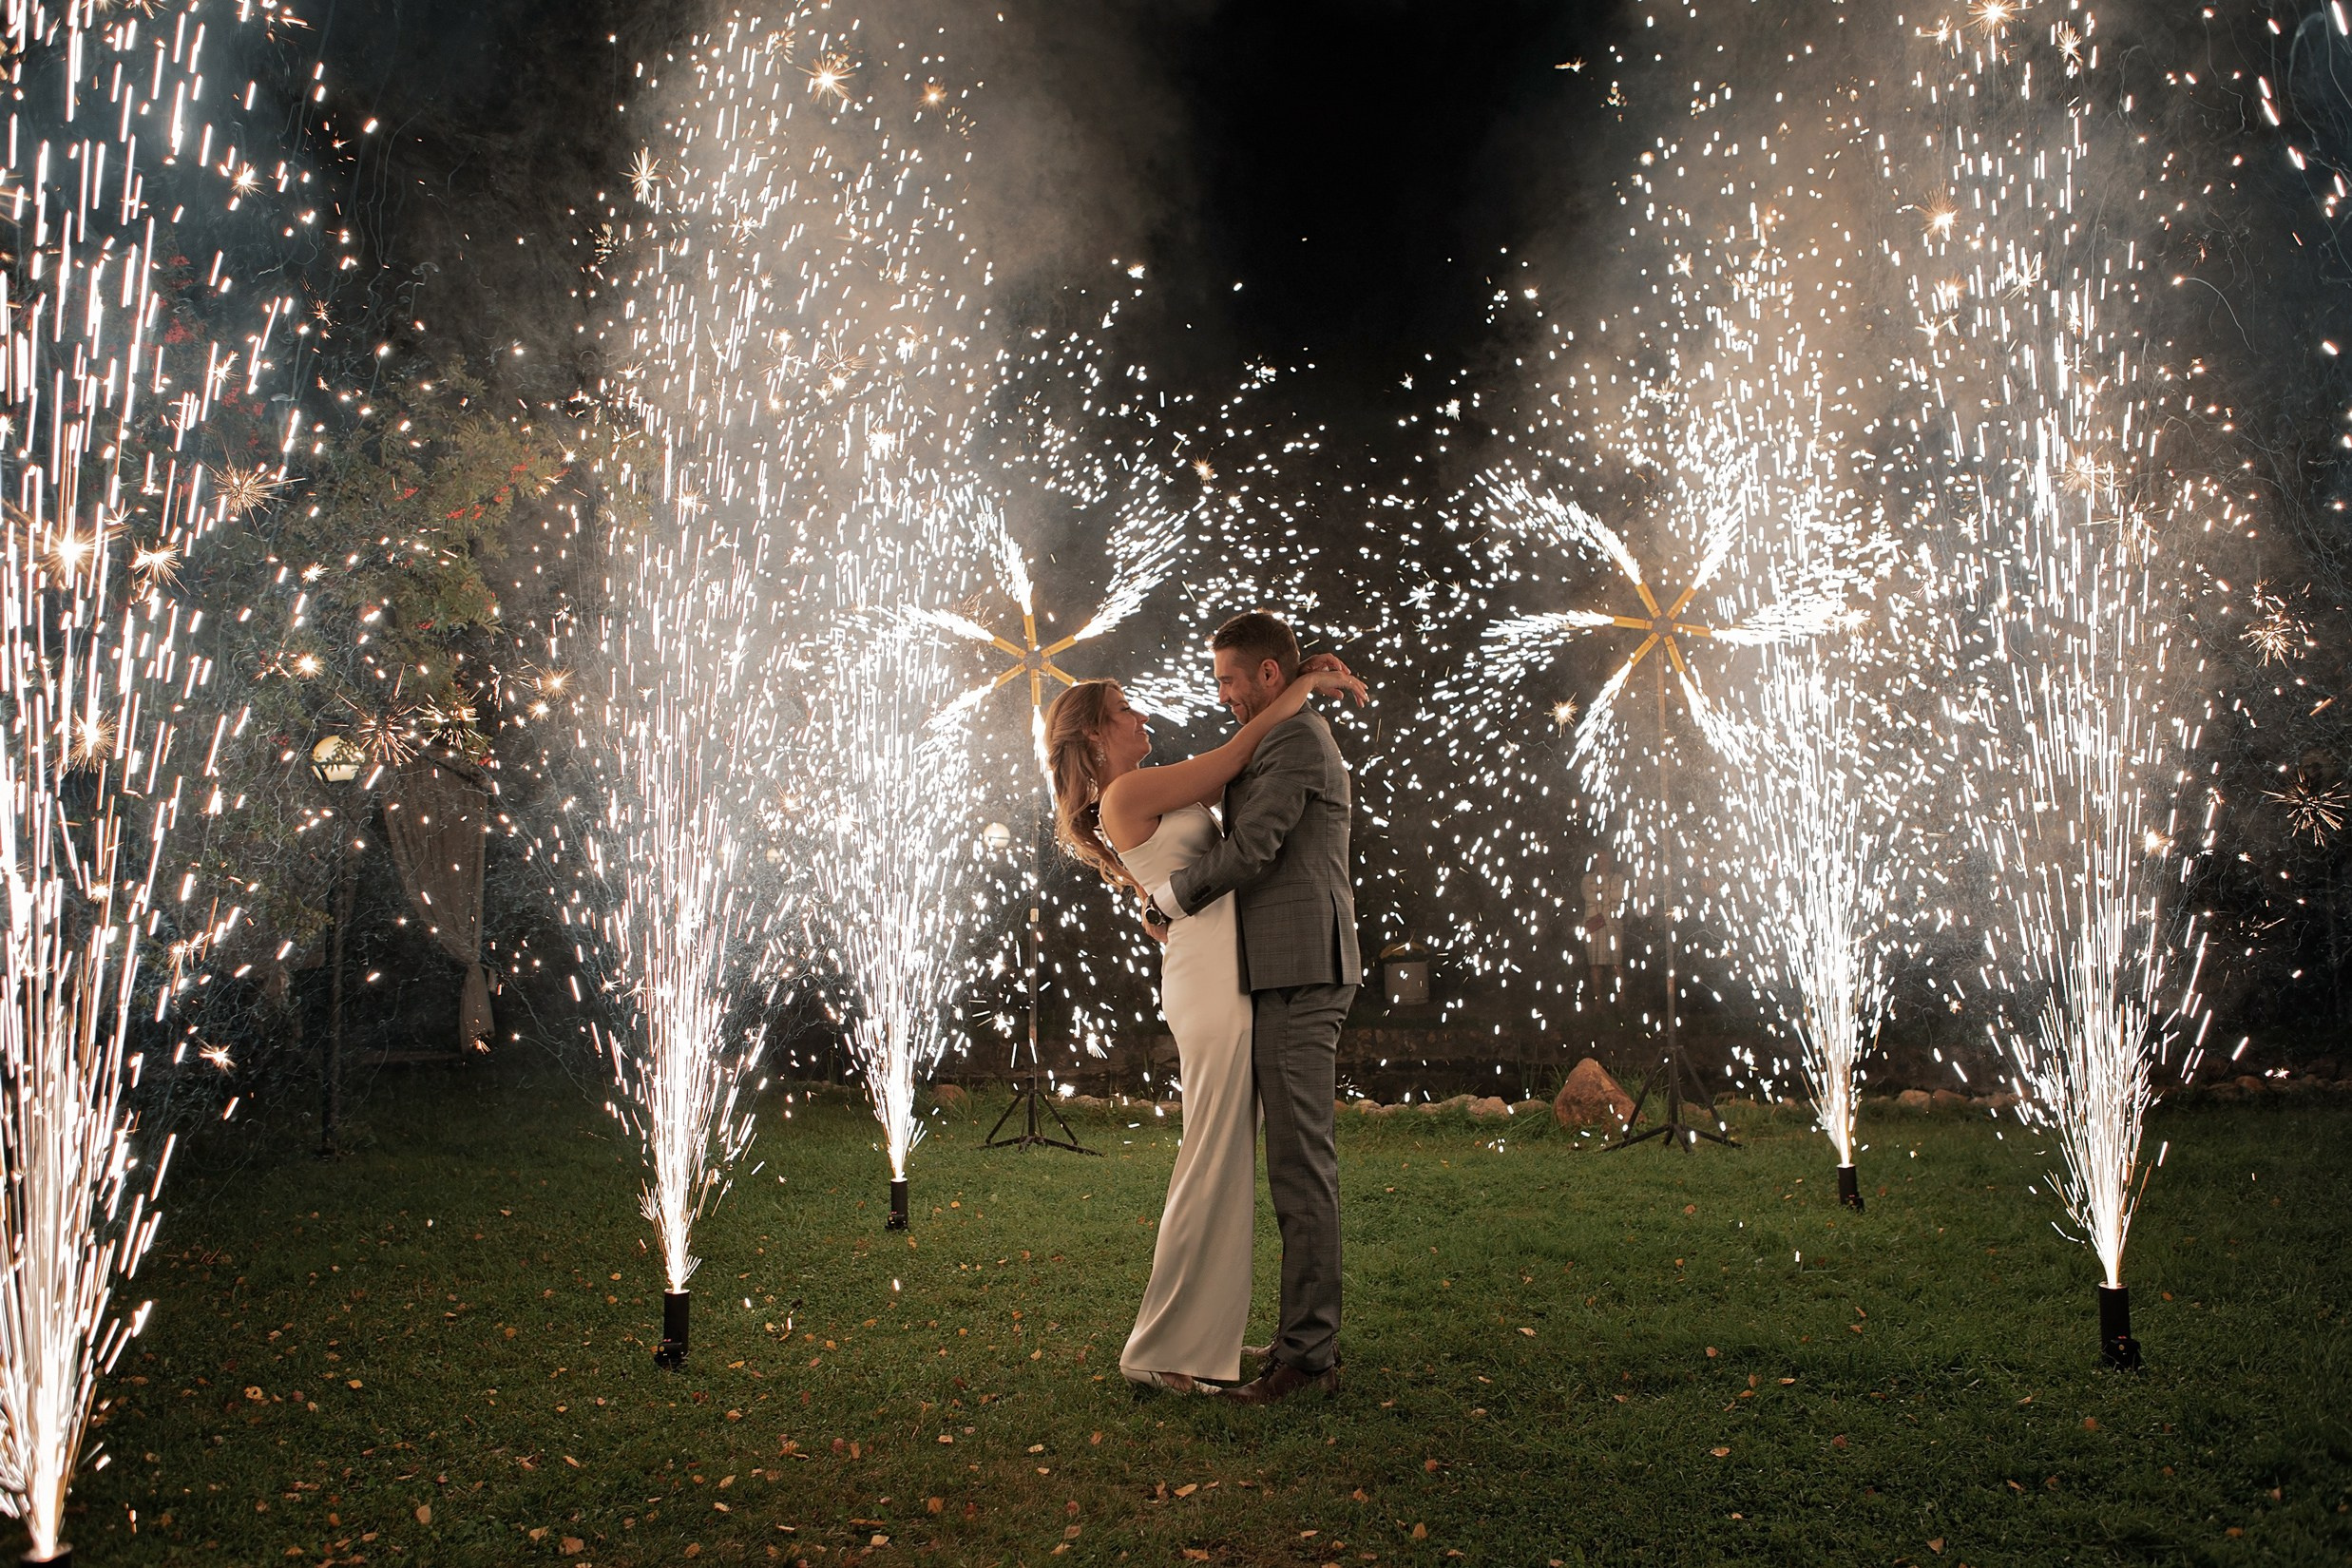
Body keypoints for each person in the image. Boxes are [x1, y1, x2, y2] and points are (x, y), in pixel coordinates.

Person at [1042, 646, 1366, 1396]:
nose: (1140, 714)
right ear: (1094, 735)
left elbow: (1178, 870)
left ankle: (1197, 1339)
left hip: (1225, 970)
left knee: (1220, 1161)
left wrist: (1160, 907)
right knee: (1210, 1161)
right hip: (1214, 985)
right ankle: (1162, 1349)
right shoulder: (1128, 792)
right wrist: (1310, 684)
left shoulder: (1136, 791)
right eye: (1124, 709)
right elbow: (1239, 751)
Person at [1141, 612, 1362, 1405]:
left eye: (1231, 678)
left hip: (1304, 972)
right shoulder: (1286, 724)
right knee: (1292, 1166)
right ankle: (1303, 1339)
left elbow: (1257, 843)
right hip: (1283, 969)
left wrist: (1170, 896)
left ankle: (1308, 1361)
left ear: (1268, 675)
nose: (1222, 693)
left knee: (1301, 1167)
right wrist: (1305, 679)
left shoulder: (1297, 742)